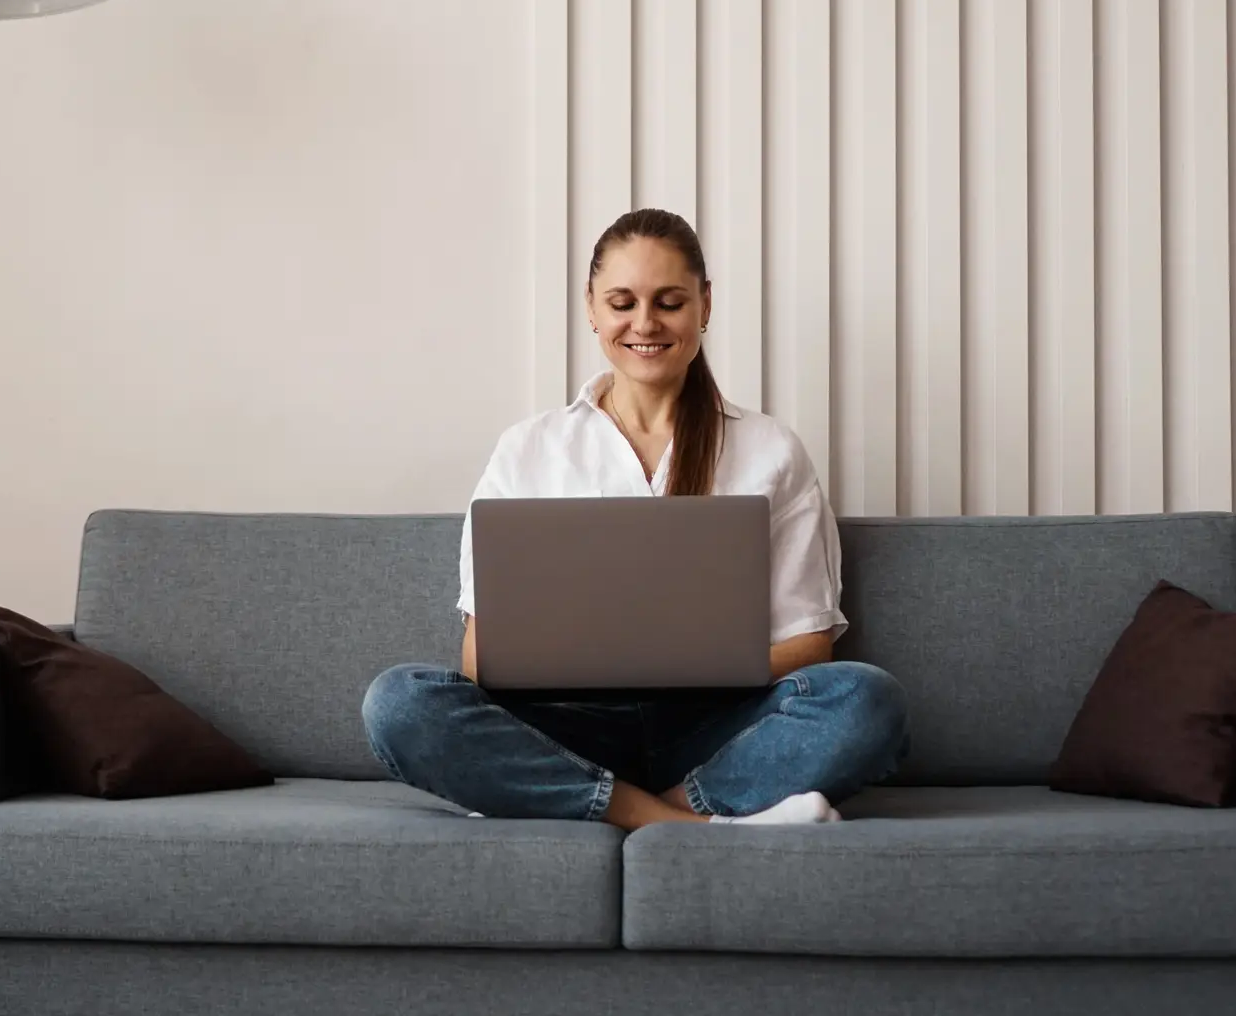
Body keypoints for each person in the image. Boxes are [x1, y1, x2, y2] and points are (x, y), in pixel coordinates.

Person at [361, 208, 908, 831]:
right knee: (400, 704)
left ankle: (608, 803)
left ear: (705, 304)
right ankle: (682, 822)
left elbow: (810, 642)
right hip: (566, 724)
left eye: (669, 302)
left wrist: (686, 664)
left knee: (868, 700)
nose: (644, 323)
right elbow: (481, 657)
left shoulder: (771, 451)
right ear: (591, 308)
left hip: (716, 729)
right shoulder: (529, 449)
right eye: (622, 302)